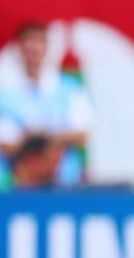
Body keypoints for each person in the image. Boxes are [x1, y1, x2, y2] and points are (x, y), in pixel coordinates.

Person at [0, 21, 92, 187]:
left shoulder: (69, 89)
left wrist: (48, 139)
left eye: (39, 42)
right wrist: (30, 144)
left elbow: (83, 135)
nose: (33, 49)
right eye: (28, 42)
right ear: (19, 48)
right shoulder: (4, 94)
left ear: (47, 47)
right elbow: (6, 143)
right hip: (15, 186)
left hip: (65, 183)